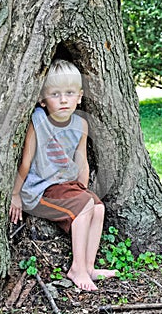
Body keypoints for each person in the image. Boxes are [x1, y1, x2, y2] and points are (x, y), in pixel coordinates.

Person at [9, 59, 117, 291]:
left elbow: (82, 161)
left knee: (97, 208)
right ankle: (76, 268)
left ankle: (88, 266)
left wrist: (84, 191)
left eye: (69, 93)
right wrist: (16, 194)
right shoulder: (38, 120)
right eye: (55, 94)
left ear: (79, 96)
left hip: (66, 186)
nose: (63, 100)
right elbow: (26, 160)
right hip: (39, 191)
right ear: (42, 100)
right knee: (86, 207)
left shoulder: (80, 124)